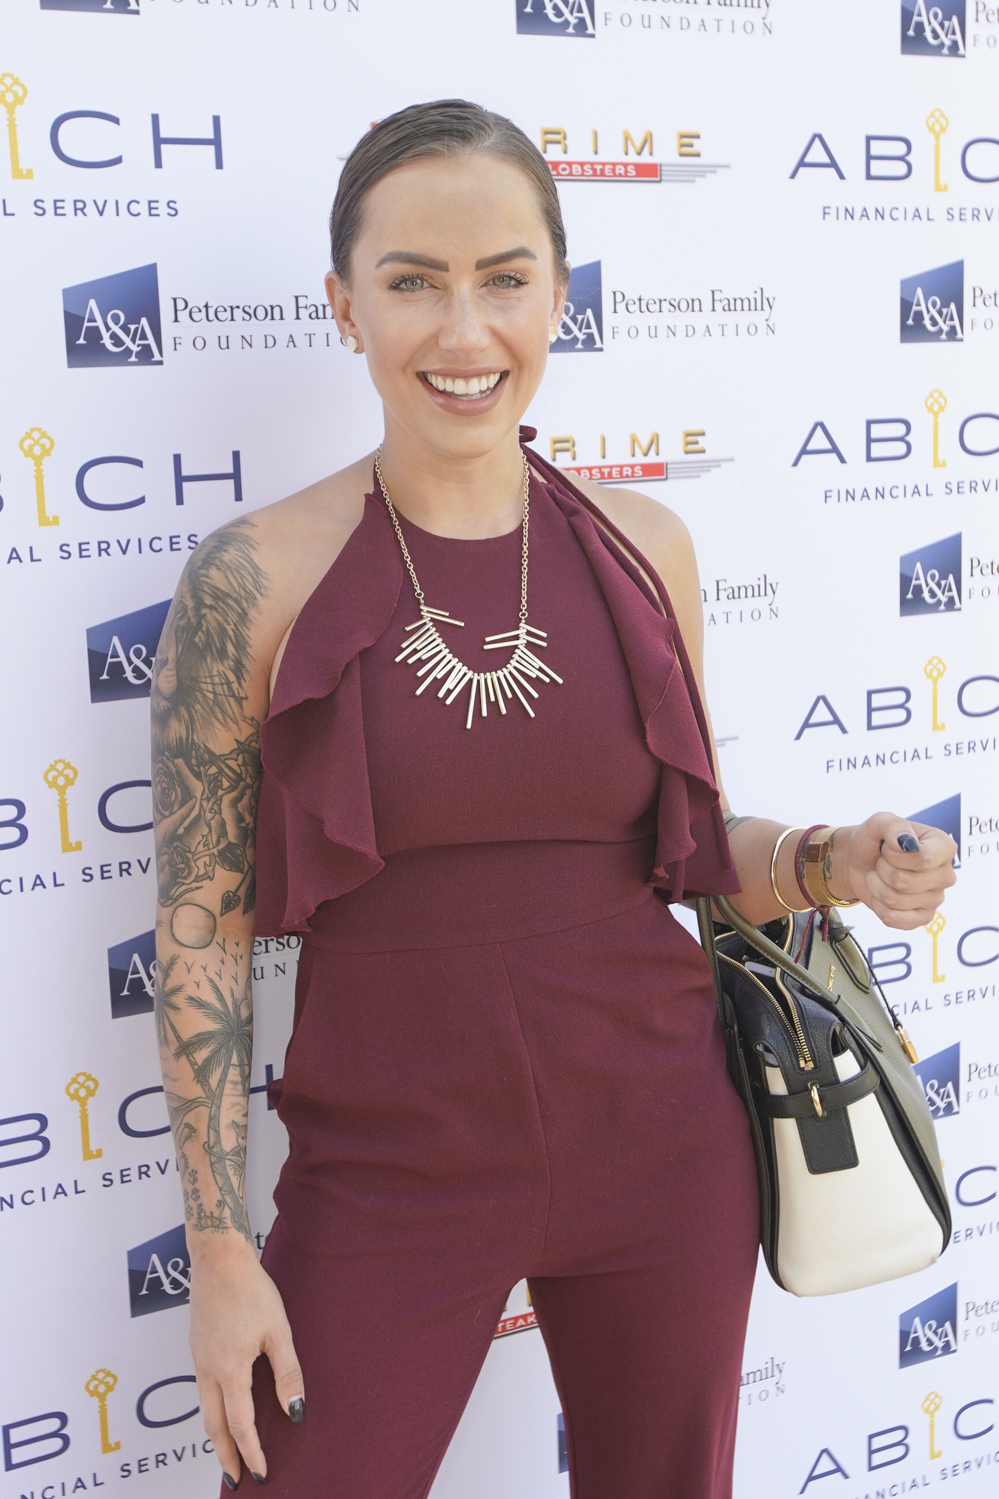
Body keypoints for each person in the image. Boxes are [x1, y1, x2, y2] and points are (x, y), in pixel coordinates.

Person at [150, 99, 957, 1499]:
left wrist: (834, 858)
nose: (464, 331)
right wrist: (219, 1252)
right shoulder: (251, 579)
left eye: (504, 279)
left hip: (665, 1145)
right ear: (344, 305)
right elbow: (199, 935)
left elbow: (693, 855)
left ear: (558, 296)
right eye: (414, 281)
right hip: (386, 1169)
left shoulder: (646, 548)